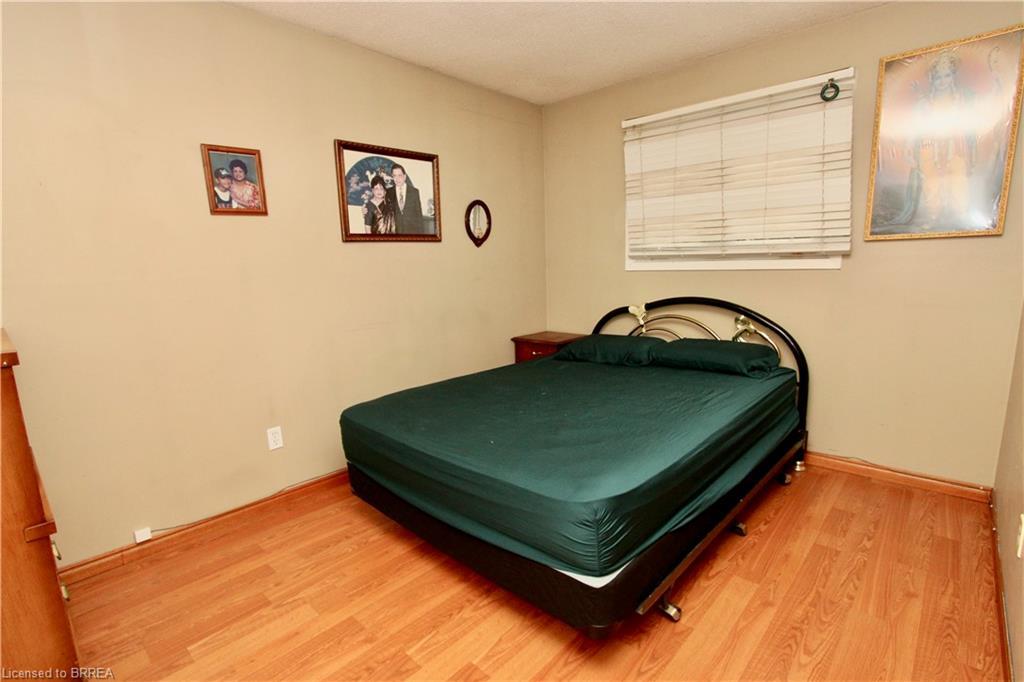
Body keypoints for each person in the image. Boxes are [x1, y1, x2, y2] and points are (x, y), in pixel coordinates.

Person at [386, 164, 424, 234]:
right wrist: (366, 208)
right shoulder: (388, 192)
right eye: (394, 176)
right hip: (395, 234)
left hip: (412, 233)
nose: (397, 179)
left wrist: (421, 236)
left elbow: (419, 216)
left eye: (399, 175)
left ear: (404, 176)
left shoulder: (414, 192)